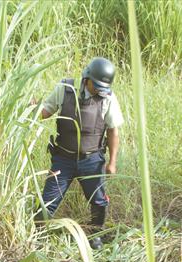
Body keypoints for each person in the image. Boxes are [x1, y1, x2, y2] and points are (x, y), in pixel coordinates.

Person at [35, 57, 125, 250]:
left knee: (99, 201)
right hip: (63, 159)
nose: (100, 91)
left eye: (104, 87)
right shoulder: (65, 89)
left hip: (92, 159)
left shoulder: (108, 98)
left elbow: (113, 131)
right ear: (87, 78)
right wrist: (29, 107)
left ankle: (96, 236)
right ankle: (37, 238)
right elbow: (45, 112)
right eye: (97, 86)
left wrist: (112, 162)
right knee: (47, 203)